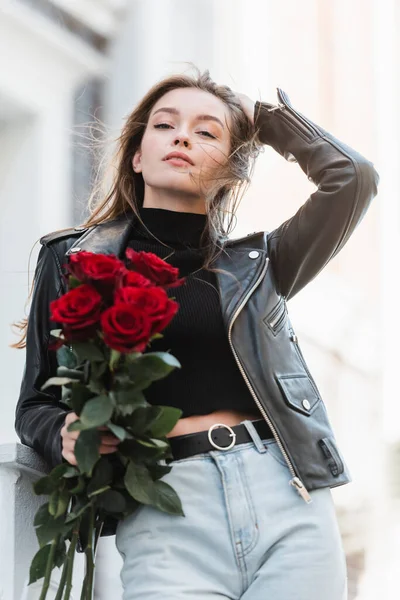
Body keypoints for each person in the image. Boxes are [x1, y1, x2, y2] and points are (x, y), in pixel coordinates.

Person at [13, 67, 379, 600]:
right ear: (137, 156)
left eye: (207, 132)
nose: (183, 136)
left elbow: (353, 178)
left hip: (285, 496)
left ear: (231, 171)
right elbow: (34, 405)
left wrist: (266, 120)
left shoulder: (261, 264)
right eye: (165, 125)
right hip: (163, 507)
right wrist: (65, 430)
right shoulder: (75, 260)